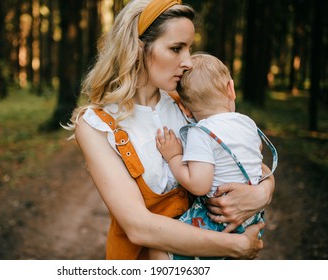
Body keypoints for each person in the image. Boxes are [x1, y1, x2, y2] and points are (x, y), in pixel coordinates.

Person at [67, 0, 275, 260]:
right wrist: (236, 246)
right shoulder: (96, 125)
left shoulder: (187, 106)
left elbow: (250, 161)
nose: (188, 62)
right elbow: (138, 227)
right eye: (176, 48)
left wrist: (262, 193)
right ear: (138, 48)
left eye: (189, 49)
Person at [153, 53, 278, 260]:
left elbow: (199, 185)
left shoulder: (200, 133)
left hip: (216, 221)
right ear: (231, 89)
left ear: (184, 108)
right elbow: (256, 156)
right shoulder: (247, 123)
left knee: (156, 248)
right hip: (252, 218)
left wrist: (174, 157)